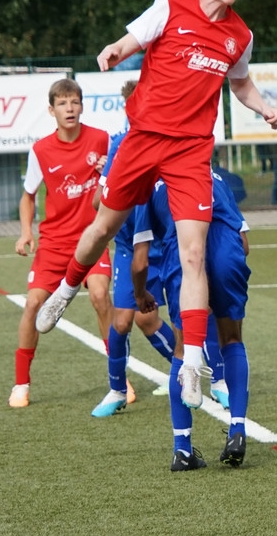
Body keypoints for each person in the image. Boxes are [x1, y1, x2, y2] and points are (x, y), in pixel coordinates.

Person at [35, 0, 277, 412]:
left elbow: (241, 83)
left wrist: (264, 107)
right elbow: (133, 40)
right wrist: (116, 48)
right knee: (103, 227)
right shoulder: (171, 4)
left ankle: (192, 364)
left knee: (194, 254)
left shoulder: (240, 36)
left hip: (190, 153)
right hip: (143, 139)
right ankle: (65, 290)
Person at [135, 170, 252, 471]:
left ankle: (182, 449)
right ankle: (237, 429)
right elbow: (244, 243)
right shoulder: (216, 178)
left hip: (183, 255)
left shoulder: (151, 186)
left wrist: (140, 293)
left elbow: (141, 260)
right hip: (227, 250)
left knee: (183, 349)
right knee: (232, 339)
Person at [10, 78, 113, 408]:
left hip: (92, 239)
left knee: (100, 295)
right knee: (32, 304)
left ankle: (118, 378)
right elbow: (28, 196)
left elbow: (117, 181)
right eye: (63, 103)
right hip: (54, 244)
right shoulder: (41, 150)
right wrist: (26, 232)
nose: (70, 108)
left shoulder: (102, 140)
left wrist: (108, 170)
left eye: (75, 102)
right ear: (51, 110)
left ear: (82, 106)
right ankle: (21, 384)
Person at [90, 80, 177, 417]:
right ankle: (116, 389)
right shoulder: (120, 145)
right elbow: (99, 201)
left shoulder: (172, 141)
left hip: (166, 244)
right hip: (130, 245)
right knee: (125, 320)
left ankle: (196, 373)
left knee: (163, 318)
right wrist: (114, 185)